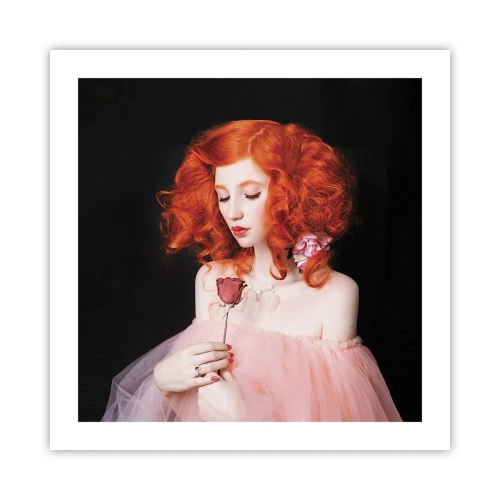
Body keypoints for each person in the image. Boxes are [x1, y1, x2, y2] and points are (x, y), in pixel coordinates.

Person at [101, 119, 402, 422]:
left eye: (251, 194)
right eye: (223, 196)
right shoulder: (211, 279)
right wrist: (165, 385)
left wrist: (243, 423)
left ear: (291, 192)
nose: (232, 212)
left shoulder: (335, 295)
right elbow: (198, 414)